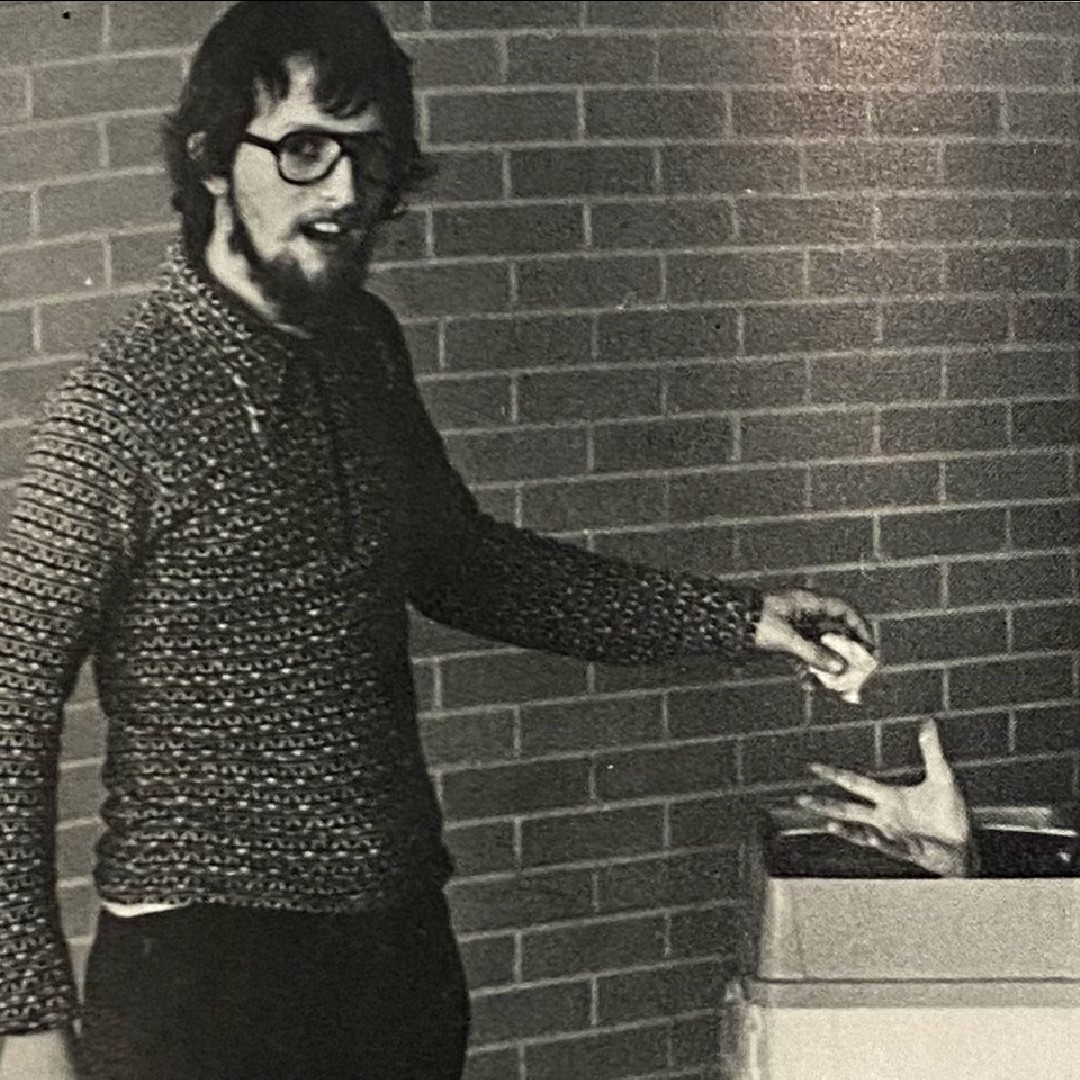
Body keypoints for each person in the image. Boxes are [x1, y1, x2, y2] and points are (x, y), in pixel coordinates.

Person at [0, 4, 874, 1078]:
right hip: (206, 975)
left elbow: (461, 563)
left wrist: (740, 618)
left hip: (396, 948)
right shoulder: (121, 405)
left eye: (369, 158)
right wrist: (24, 1021)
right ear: (213, 158)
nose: (343, 194)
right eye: (306, 147)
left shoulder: (363, 347)